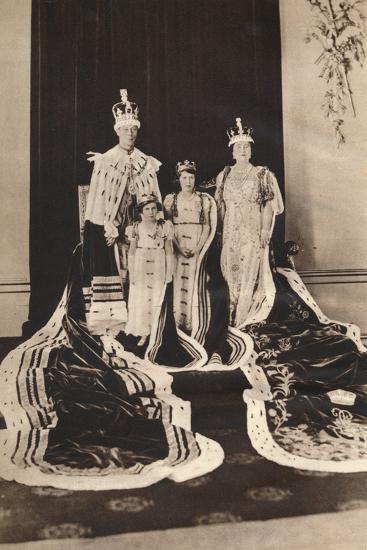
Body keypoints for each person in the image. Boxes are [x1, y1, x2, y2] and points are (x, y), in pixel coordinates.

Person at [82, 89, 163, 336]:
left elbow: (155, 200)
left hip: (140, 229)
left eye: (133, 130)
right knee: (117, 268)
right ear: (117, 131)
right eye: (125, 130)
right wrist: (108, 225)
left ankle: (140, 325)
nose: (130, 134)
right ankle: (115, 325)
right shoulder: (105, 161)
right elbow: (96, 200)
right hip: (112, 229)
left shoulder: (146, 162)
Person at [215, 117, 284, 328]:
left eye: (246, 146)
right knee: (230, 272)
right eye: (239, 147)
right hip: (230, 234)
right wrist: (218, 233)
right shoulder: (224, 175)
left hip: (252, 233)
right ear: (232, 151)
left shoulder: (262, 175)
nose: (243, 150)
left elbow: (268, 205)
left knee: (250, 272)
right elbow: (220, 208)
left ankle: (247, 319)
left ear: (251, 151)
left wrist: (265, 230)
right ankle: (230, 318)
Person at [164, 161, 211, 333]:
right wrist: (177, 247)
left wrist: (199, 248)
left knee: (195, 281)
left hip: (196, 244)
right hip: (178, 245)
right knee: (178, 280)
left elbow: (206, 226)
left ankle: (194, 323)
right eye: (184, 178)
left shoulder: (202, 200)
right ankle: (178, 323)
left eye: (191, 177)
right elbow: (168, 225)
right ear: (179, 179)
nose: (188, 181)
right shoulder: (171, 200)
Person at [124, 194, 174, 346]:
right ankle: (144, 332)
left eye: (153, 208)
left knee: (156, 297)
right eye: (147, 209)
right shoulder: (135, 228)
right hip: (141, 264)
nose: (151, 212)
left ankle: (156, 331)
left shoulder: (164, 226)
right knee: (142, 298)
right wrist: (132, 273)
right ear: (141, 211)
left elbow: (169, 251)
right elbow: (131, 252)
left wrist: (169, 272)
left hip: (158, 263)